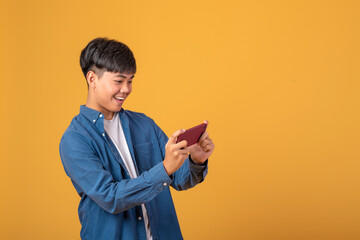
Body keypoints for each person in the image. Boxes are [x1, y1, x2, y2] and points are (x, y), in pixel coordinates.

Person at [59, 37, 215, 240]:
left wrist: (196, 161)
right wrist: (166, 168)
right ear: (92, 79)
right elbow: (110, 197)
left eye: (130, 81)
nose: (126, 89)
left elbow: (177, 180)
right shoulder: (75, 140)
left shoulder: (144, 124)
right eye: (119, 81)